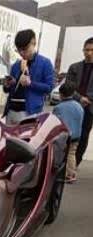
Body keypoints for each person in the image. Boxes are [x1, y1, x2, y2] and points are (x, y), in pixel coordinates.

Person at [3, 29, 54, 125]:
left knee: (27, 135)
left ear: (34, 43)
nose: (22, 53)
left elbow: (49, 88)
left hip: (30, 112)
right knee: (9, 135)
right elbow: (8, 90)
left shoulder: (45, 63)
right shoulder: (16, 65)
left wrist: (31, 84)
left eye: (25, 49)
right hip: (11, 110)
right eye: (19, 50)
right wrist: (7, 85)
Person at [65, 37, 93, 165]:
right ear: (83, 50)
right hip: (72, 106)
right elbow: (67, 86)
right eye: (86, 50)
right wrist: (80, 98)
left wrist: (87, 99)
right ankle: (63, 163)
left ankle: (75, 164)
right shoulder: (74, 67)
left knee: (83, 137)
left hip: (89, 108)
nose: (89, 53)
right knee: (68, 135)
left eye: (92, 50)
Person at [53, 81, 84, 183]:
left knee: (61, 154)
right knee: (72, 154)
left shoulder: (59, 107)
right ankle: (71, 174)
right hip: (76, 135)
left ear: (61, 94)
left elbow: (55, 122)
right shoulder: (79, 106)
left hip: (64, 136)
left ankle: (64, 173)